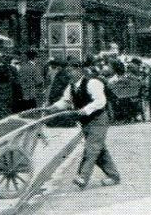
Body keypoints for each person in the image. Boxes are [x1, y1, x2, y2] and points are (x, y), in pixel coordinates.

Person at [51, 55, 121, 189]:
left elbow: (101, 101)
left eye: (71, 71)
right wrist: (53, 107)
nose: (68, 74)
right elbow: (65, 101)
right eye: (67, 71)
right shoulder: (71, 87)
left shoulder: (92, 83)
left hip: (99, 119)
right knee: (99, 150)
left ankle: (82, 177)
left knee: (92, 148)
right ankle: (114, 176)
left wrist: (85, 110)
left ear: (79, 70)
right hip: (86, 121)